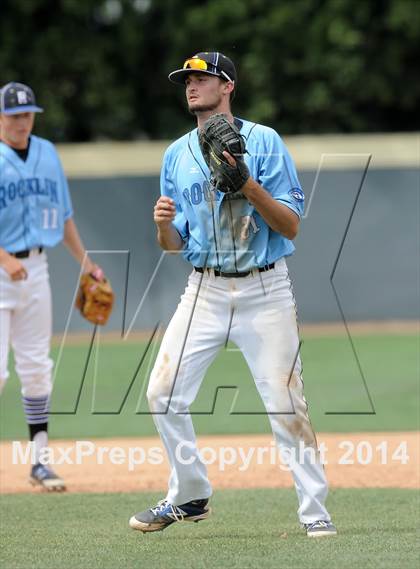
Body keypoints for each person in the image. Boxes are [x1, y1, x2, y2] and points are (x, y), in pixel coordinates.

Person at [129, 52, 337, 537]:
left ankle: (315, 512)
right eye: (187, 79)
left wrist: (248, 185)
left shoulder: (264, 142)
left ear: (228, 86)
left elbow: (291, 225)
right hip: (203, 288)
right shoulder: (176, 154)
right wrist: (161, 226)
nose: (191, 86)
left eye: (202, 77)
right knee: (162, 394)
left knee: (286, 403)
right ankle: (190, 495)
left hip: (265, 288)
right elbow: (174, 245)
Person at [0, 82, 99, 491]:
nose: (23, 122)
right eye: (14, 115)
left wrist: (86, 262)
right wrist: (4, 258)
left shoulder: (47, 153)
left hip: (37, 268)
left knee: (38, 368)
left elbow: (64, 214)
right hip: (2, 271)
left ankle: (40, 463)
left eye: (28, 114)